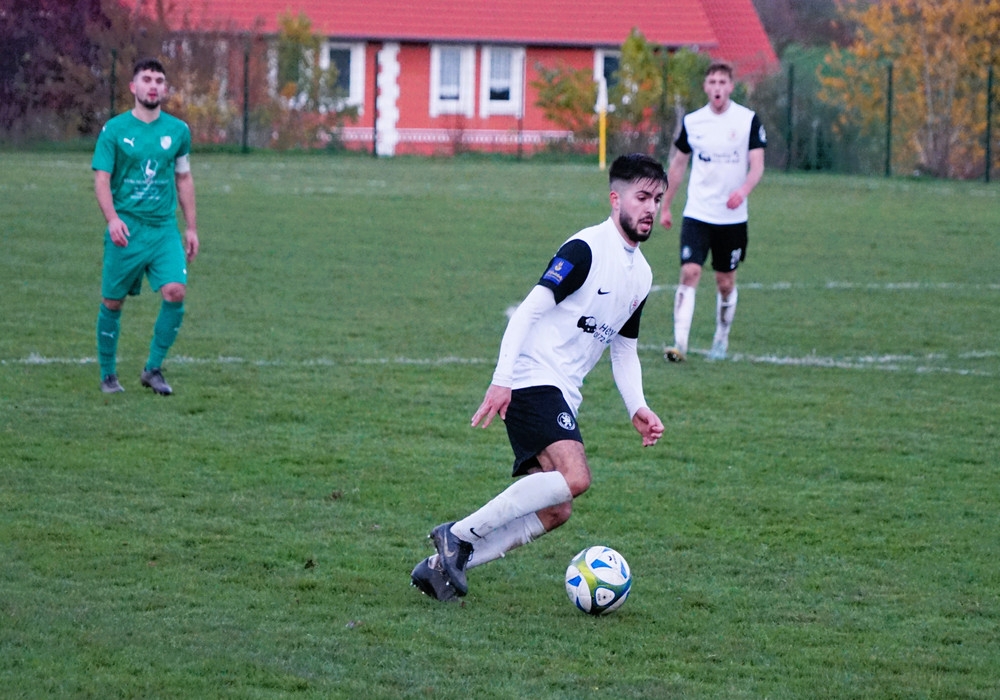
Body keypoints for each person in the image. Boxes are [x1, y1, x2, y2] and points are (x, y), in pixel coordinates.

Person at [410, 153, 667, 601]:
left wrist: (637, 406)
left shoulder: (641, 275)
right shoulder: (586, 249)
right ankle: (458, 535)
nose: (650, 208)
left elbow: (624, 348)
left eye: (657, 199)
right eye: (642, 197)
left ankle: (440, 568)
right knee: (576, 476)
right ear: (615, 199)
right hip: (532, 377)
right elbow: (527, 312)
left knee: (557, 509)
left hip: (563, 391)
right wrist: (502, 379)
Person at [92, 58, 198, 395]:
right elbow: (102, 179)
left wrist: (191, 227)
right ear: (133, 87)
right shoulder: (114, 130)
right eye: (147, 79)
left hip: (163, 229)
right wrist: (112, 219)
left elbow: (183, 178)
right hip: (127, 229)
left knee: (175, 291)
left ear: (165, 89)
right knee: (113, 301)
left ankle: (153, 369)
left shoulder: (178, 131)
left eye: (159, 81)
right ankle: (108, 375)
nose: (153, 86)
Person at [660, 61, 766, 363]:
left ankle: (721, 337)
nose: (717, 87)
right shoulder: (693, 122)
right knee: (690, 271)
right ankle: (680, 343)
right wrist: (666, 205)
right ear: (705, 87)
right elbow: (678, 165)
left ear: (731, 86)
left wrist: (743, 191)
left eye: (722, 82)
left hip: (732, 218)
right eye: (712, 82)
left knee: (725, 282)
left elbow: (757, 165)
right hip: (698, 212)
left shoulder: (747, 120)